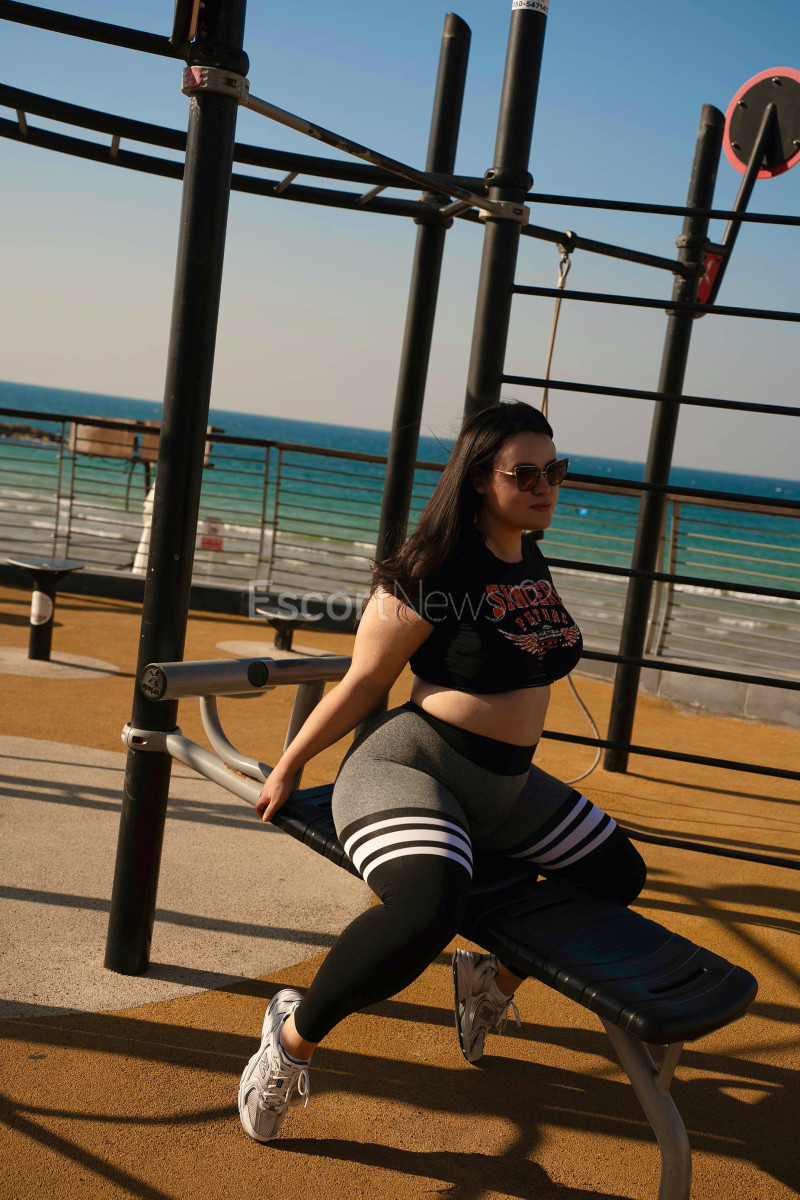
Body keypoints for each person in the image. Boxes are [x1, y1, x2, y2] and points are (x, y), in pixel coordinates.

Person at [238, 400, 646, 1143]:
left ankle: (490, 981)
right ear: (479, 479)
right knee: (429, 907)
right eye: (526, 474)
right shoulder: (432, 569)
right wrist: (291, 764)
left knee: (616, 873)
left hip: (505, 785)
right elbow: (365, 682)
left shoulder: (529, 557)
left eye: (555, 470)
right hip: (412, 766)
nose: (546, 486)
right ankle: (290, 1038)